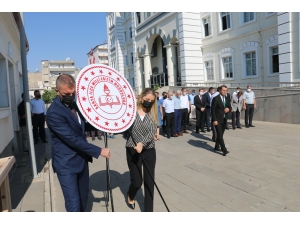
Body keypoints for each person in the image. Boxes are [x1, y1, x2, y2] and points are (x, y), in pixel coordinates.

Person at [46, 74, 110, 212]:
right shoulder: (53, 113)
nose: (70, 95)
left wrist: (103, 125)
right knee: (73, 204)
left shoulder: (75, 104)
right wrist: (98, 151)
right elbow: (72, 138)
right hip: (66, 165)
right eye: (66, 93)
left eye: (73, 92)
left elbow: (80, 127)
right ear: (57, 91)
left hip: (81, 161)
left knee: (83, 199)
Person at [126, 88, 158, 212]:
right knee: (137, 182)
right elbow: (130, 130)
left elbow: (151, 132)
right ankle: (131, 194)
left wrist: (142, 143)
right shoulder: (131, 111)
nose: (149, 102)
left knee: (149, 183)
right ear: (141, 97)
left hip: (149, 149)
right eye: (147, 99)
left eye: (152, 101)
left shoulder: (153, 113)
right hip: (132, 148)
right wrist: (138, 144)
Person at [211, 85, 231, 156]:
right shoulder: (216, 99)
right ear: (220, 90)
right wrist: (214, 120)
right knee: (219, 135)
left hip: (224, 119)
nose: (225, 92)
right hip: (217, 120)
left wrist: (228, 109)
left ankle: (216, 146)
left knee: (221, 134)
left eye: (226, 90)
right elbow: (212, 110)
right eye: (223, 90)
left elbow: (229, 107)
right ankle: (224, 149)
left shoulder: (227, 98)